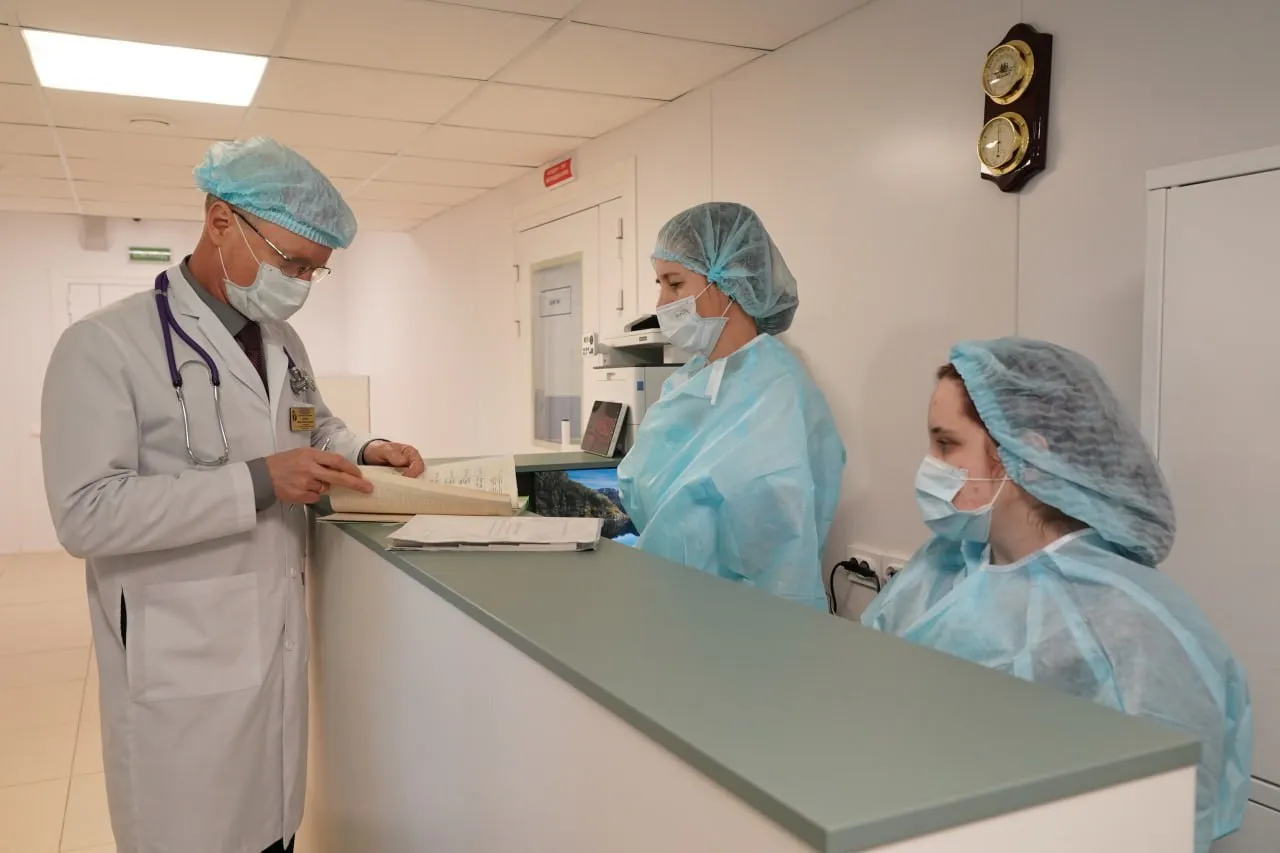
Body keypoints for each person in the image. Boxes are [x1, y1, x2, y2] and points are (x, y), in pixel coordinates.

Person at [41, 137, 425, 853]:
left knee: (273, 828)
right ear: (220, 220)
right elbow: (85, 513)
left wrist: (363, 448)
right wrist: (258, 481)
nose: (300, 283)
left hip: (269, 637)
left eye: (313, 270)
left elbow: (311, 423)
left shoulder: (282, 341)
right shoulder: (104, 344)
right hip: (180, 651)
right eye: (291, 262)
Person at [861, 337, 1251, 852]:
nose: (929, 464)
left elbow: (1161, 821)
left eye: (946, 444)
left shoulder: (1129, 629)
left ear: (1026, 453)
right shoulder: (942, 566)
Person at [617, 202, 846, 610]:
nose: (661, 302)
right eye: (660, 283)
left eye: (674, 284)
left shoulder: (778, 393)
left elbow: (779, 546)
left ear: (729, 281)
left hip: (751, 622)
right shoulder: (687, 383)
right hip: (671, 604)